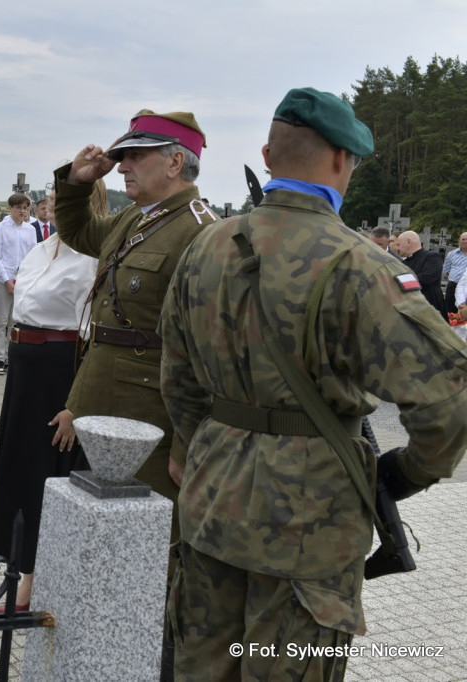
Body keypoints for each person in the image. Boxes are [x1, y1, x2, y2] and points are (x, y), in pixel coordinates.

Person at [160, 86, 467, 680]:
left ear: (268, 155)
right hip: (310, 524)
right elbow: (449, 402)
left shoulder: (206, 247)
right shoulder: (363, 266)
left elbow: (177, 377)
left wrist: (204, 449)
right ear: (339, 160)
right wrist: (403, 474)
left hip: (211, 504)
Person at [52, 109, 216, 557]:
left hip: (154, 416)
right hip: (105, 400)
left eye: (134, 156)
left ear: (175, 162)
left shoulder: (201, 232)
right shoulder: (135, 219)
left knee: (152, 541)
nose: (121, 166)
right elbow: (81, 230)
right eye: (121, 156)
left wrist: (186, 444)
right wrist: (78, 182)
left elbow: (205, 352)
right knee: (106, 535)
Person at [0, 231, 96, 611]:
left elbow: (94, 337)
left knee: (47, 474)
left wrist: (78, 405)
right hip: (24, 372)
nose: (54, 205)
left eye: (62, 198)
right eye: (52, 199)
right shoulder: (40, 249)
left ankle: (36, 578)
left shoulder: (91, 256)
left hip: (59, 372)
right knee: (21, 469)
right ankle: (19, 563)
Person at [0, 193, 39, 375]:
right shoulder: (1, 228)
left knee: (16, 321)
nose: (22, 211)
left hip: (23, 280)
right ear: (10, 208)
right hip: (5, 279)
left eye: (25, 208)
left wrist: (27, 278)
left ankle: (11, 356)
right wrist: (7, 280)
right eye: (18, 207)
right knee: (1, 320)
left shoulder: (30, 230)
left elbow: (33, 255)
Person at [394, 230, 445, 314]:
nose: (397, 248)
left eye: (399, 244)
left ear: (408, 242)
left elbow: (427, 278)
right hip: (410, 305)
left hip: (430, 303)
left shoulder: (432, 257)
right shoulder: (403, 263)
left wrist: (401, 281)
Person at [442, 231, 467, 313]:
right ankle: (452, 325)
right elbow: (446, 270)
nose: (465, 241)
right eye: (463, 239)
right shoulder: (451, 254)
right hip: (453, 286)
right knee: (450, 311)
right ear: (459, 241)